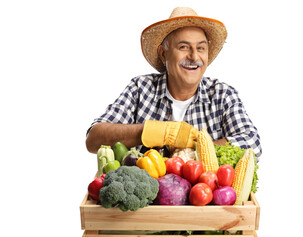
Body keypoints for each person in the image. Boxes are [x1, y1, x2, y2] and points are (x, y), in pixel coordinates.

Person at [86, 7, 262, 158]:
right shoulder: (140, 88)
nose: (194, 57)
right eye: (184, 47)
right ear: (164, 54)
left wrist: (196, 150)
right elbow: (94, 139)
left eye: (200, 48)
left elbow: (252, 143)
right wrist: (158, 132)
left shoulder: (223, 94)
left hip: (205, 196)